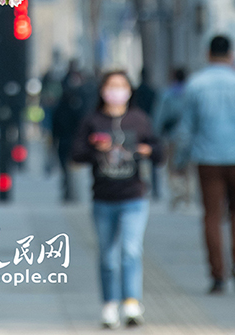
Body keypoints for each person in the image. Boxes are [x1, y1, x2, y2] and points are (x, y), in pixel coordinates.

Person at [174, 35, 235, 295]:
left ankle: (217, 274)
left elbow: (186, 129)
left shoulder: (196, 85)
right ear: (231, 54)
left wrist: (180, 161)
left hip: (207, 159)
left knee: (212, 215)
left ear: (208, 54)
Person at [72, 70, 162, 329]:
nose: (116, 91)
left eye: (121, 86)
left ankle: (132, 302)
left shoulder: (139, 120)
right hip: (103, 198)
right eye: (111, 86)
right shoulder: (93, 120)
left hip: (134, 196)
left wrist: (147, 150)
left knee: (131, 251)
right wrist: (94, 149)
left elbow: (158, 152)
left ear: (129, 90)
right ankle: (109, 304)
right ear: (102, 90)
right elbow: (76, 154)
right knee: (108, 256)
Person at [52, 61, 92, 201]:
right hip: (70, 139)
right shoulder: (80, 102)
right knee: (71, 168)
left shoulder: (65, 106)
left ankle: (69, 191)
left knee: (68, 168)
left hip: (67, 140)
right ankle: (70, 191)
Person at [153, 67, 191, 207]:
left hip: (172, 136)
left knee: (173, 166)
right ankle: (187, 196)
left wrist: (156, 133)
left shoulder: (168, 94)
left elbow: (160, 116)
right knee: (187, 167)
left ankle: (177, 195)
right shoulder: (191, 92)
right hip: (189, 137)